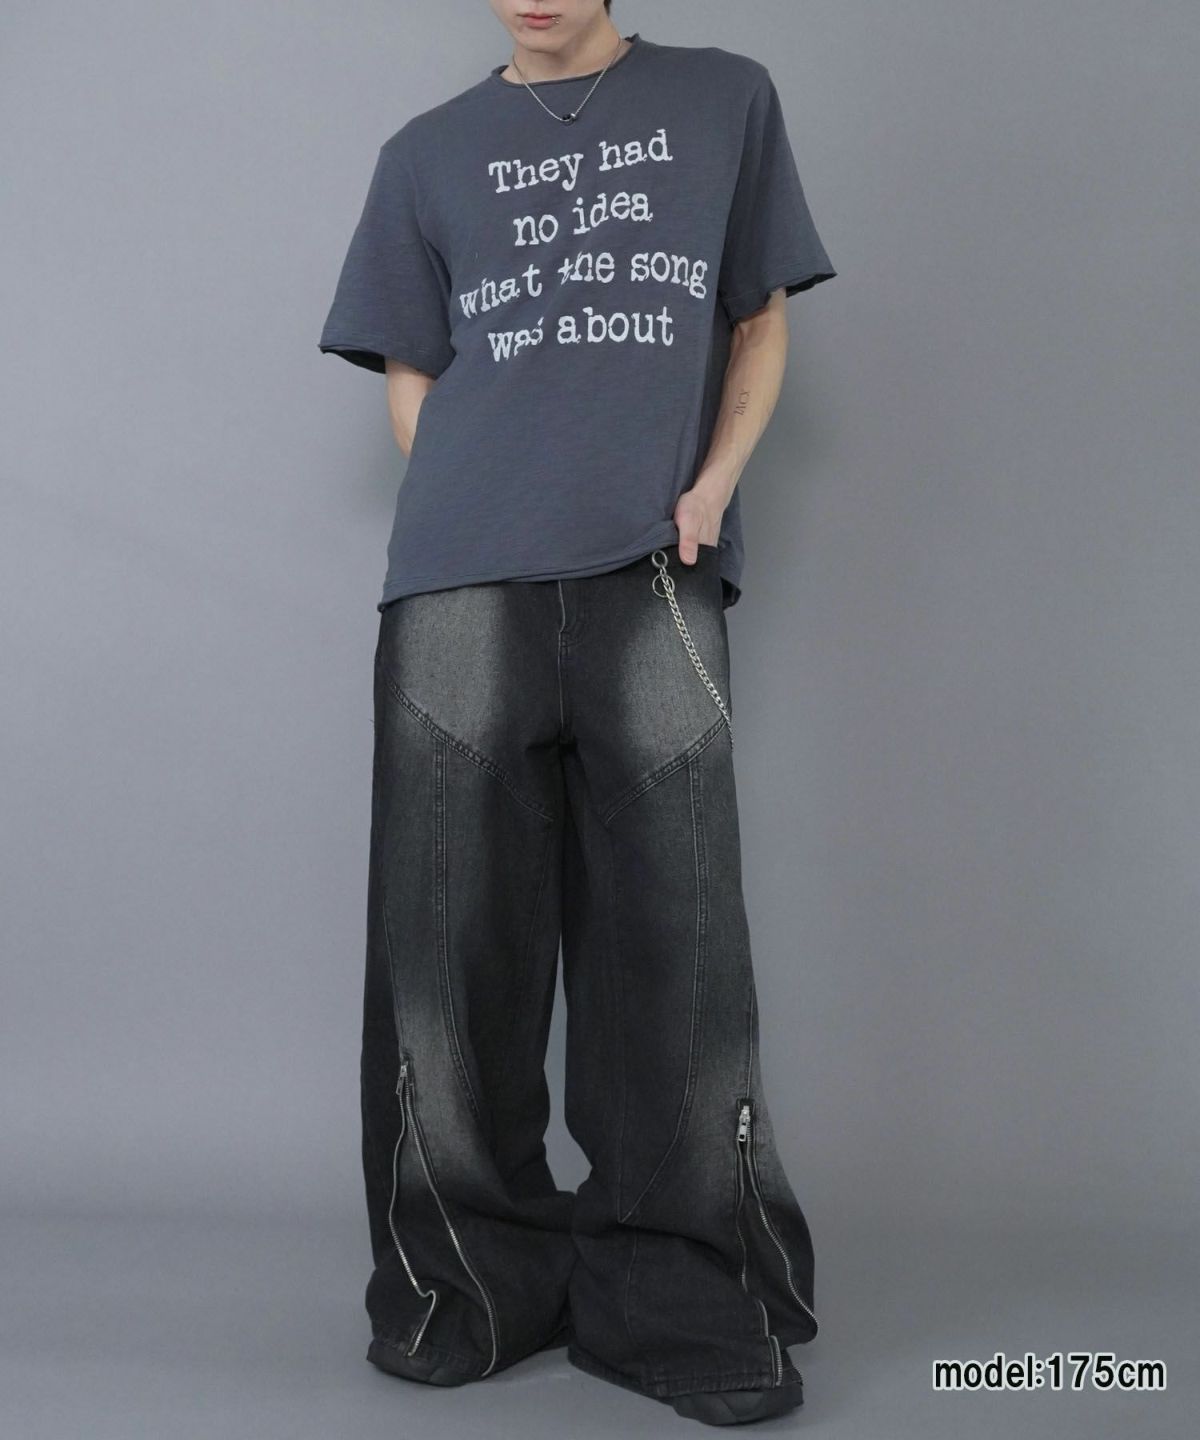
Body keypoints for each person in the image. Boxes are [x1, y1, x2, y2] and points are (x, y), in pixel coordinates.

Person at [317, 0, 837, 1426]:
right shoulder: (425, 153)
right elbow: (414, 375)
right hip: (457, 579)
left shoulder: (725, 99)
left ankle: (675, 1299)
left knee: (675, 946)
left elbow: (759, 317)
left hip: (654, 567)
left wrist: (712, 485)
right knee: (445, 946)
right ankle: (467, 1290)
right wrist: (492, 497)